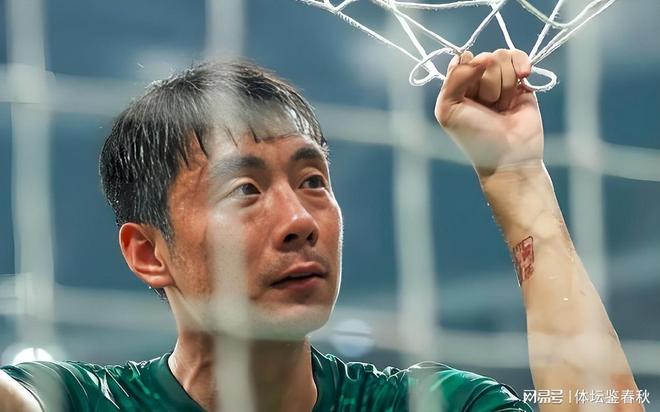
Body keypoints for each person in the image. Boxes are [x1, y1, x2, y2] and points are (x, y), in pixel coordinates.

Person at [0, 50, 643, 412]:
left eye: (312, 181)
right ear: (148, 252)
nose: (300, 222)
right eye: (243, 191)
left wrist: (517, 179)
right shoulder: (77, 402)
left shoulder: (430, 404)